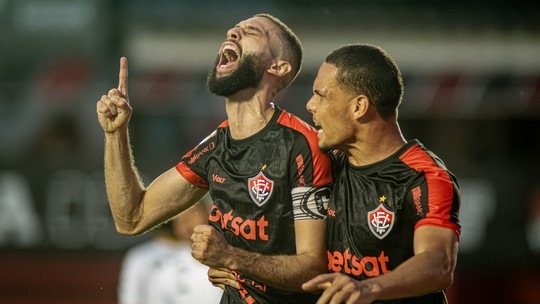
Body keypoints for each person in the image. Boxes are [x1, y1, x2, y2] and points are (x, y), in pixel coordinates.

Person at [96, 13, 332, 304]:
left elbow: (314, 269)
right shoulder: (215, 147)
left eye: (252, 32)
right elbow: (131, 218)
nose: (233, 32)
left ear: (278, 66)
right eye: (234, 30)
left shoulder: (301, 144)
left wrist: (231, 257)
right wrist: (115, 134)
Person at [301, 44, 461, 303]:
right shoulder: (324, 165)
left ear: (359, 106)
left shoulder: (424, 178)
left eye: (321, 95)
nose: (310, 105)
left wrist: (369, 288)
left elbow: (438, 263)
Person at [118, 201, 223, 304]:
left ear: (209, 213)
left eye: (191, 216)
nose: (186, 225)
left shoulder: (229, 253)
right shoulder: (166, 266)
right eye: (180, 220)